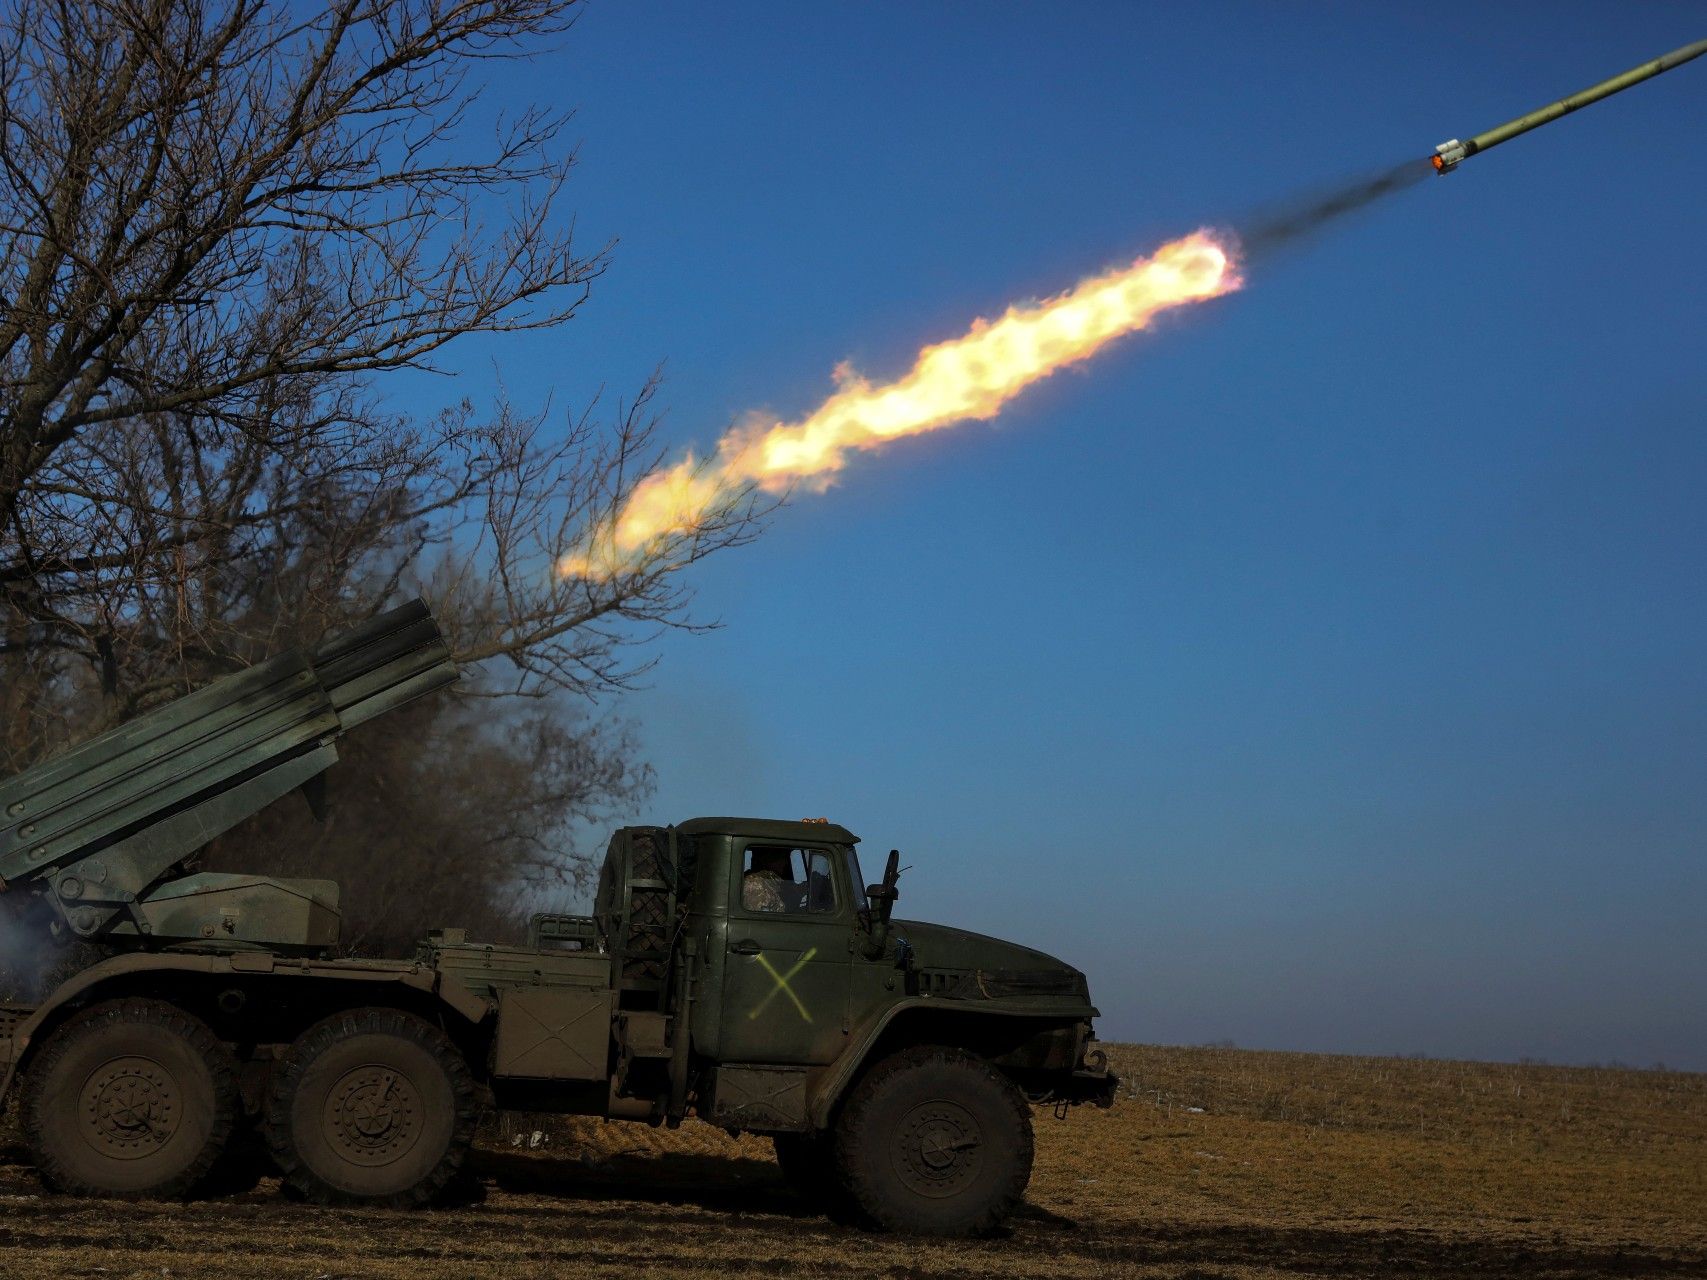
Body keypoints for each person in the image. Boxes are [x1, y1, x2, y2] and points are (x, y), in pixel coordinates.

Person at [742, 847, 795, 912]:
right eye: (782, 858)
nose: (785, 863)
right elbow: (760, 917)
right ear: (770, 860)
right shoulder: (756, 883)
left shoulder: (772, 882)